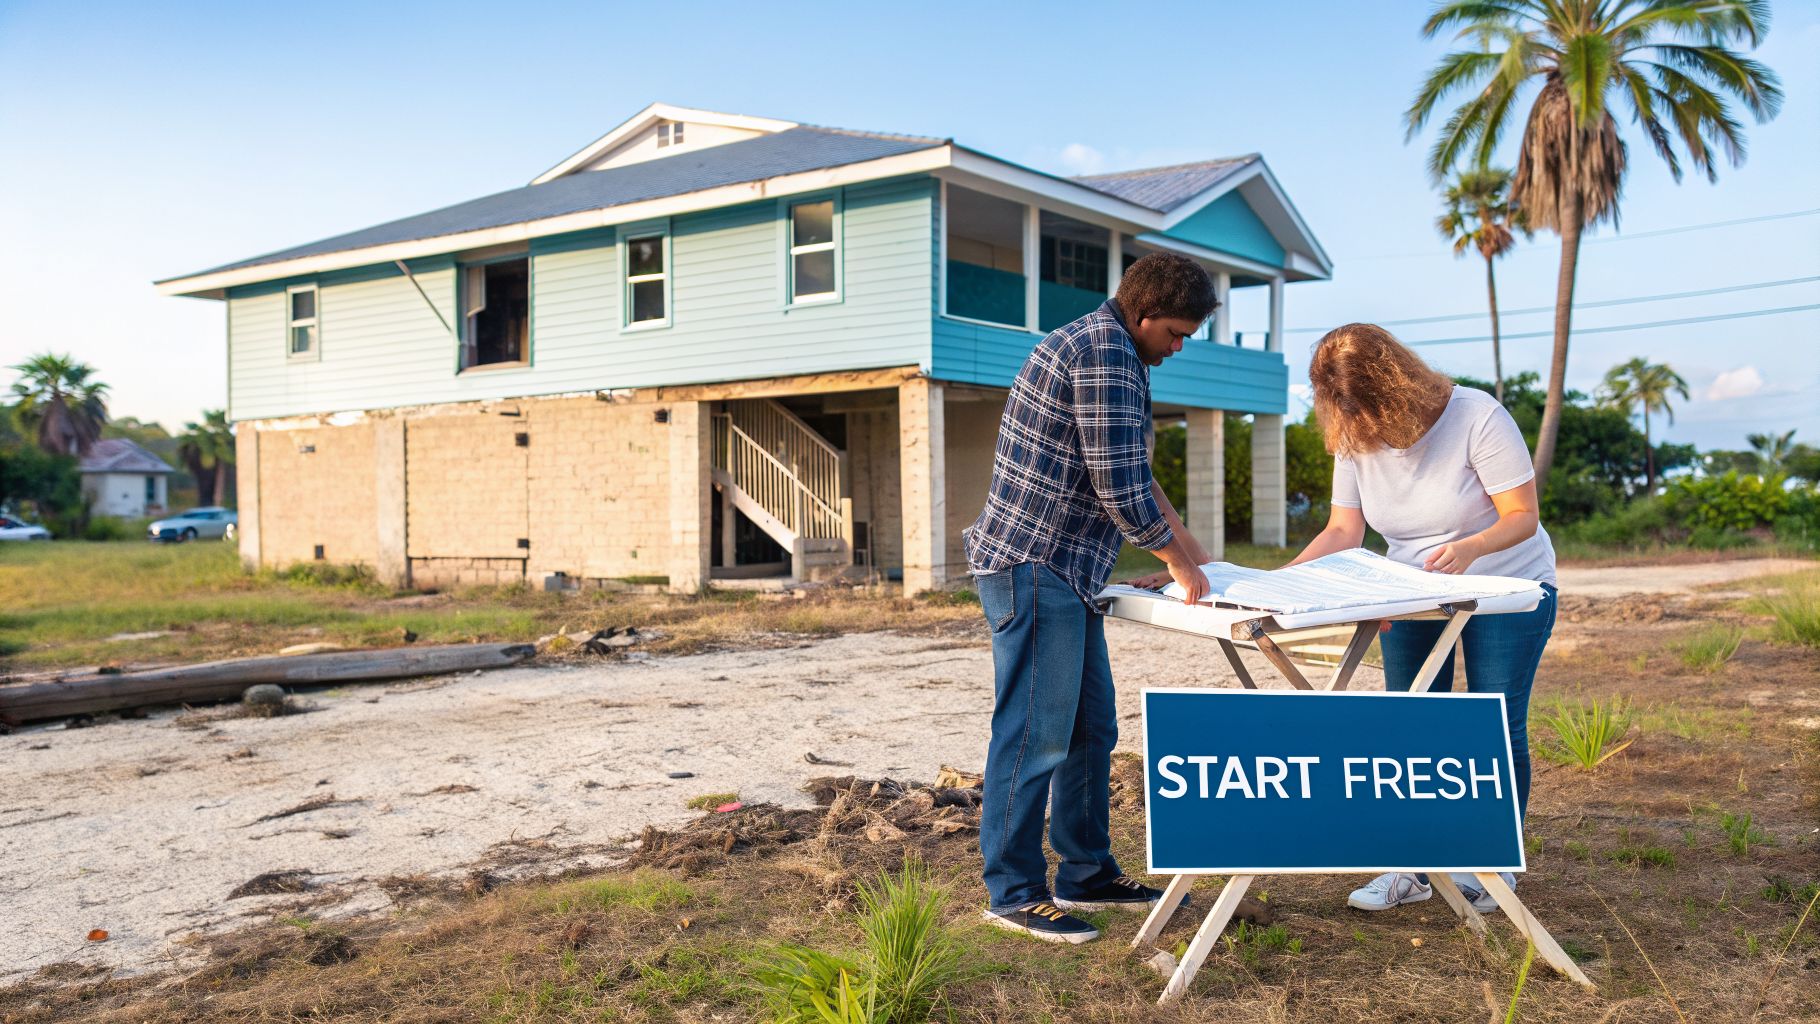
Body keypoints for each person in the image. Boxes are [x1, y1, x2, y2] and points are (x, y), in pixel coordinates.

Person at [963, 252, 1219, 944]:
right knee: (1034, 734)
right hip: (1035, 566)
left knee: (1089, 730)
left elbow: (1137, 472)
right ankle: (1013, 892)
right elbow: (1119, 487)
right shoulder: (1103, 353)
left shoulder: (1113, 352)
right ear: (1142, 314)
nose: (1179, 347)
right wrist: (1175, 561)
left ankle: (1086, 870)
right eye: (1174, 332)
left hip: (1067, 573)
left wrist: (1198, 560)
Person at [1286, 322, 1557, 915]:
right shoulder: (1355, 431)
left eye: (1369, 406)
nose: (1363, 422)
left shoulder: (1476, 415)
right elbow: (1342, 529)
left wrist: (1471, 548)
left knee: (1494, 725)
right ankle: (1412, 862)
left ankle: (1493, 865)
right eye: (1347, 410)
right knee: (1409, 726)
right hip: (1411, 591)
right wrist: (1280, 582)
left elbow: (1522, 517)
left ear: (1397, 385)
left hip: (1506, 584)